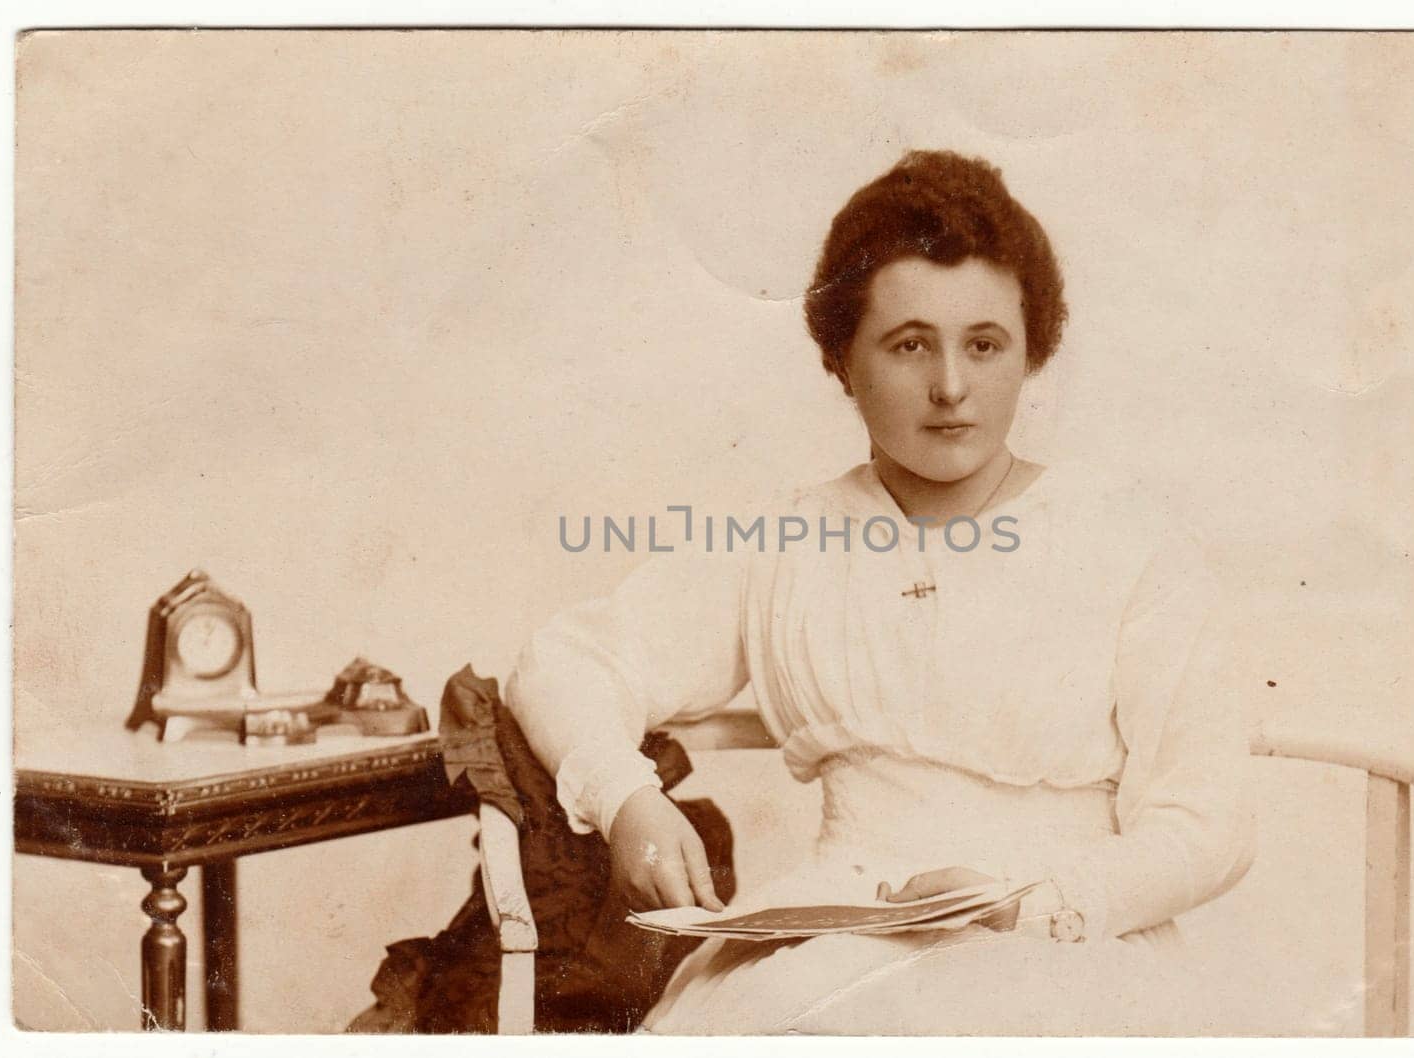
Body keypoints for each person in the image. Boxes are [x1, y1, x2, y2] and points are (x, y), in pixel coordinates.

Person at [505, 149, 1255, 1034]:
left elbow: (1208, 826)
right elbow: (563, 663)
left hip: (1066, 945)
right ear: (842, 360)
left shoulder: (1129, 543)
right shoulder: (791, 545)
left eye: (985, 344)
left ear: (1031, 351)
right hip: (838, 935)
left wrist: (1027, 903)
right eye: (909, 346)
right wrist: (627, 797)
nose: (950, 387)